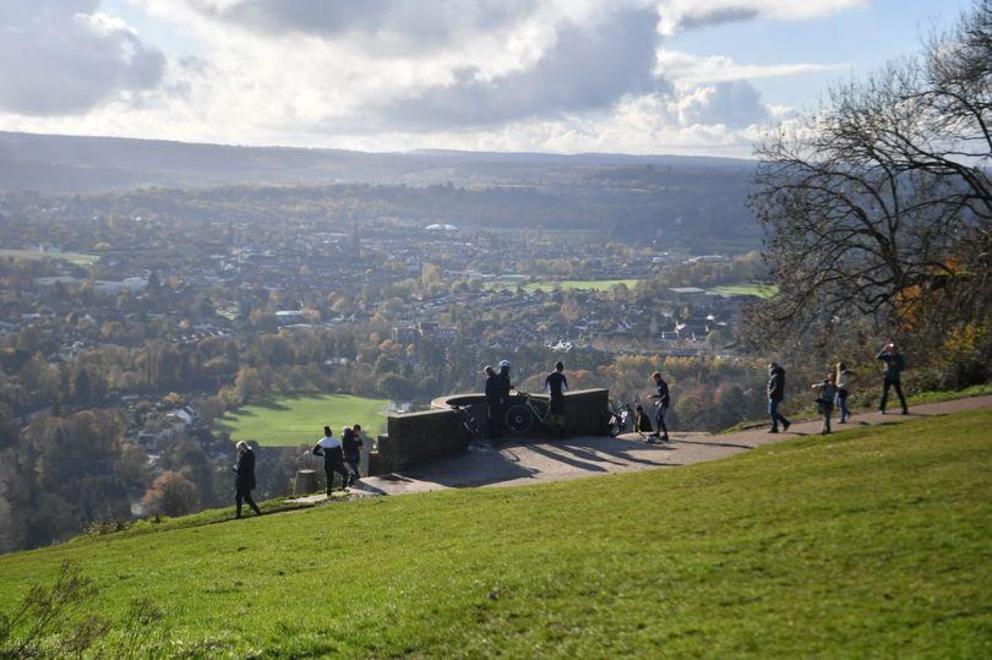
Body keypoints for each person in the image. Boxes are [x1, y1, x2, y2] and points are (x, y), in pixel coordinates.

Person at [312, 426, 349, 495]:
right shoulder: (336, 441)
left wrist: (323, 455)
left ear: (325, 433)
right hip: (337, 462)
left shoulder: (322, 441)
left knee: (329, 478)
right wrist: (342, 462)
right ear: (331, 433)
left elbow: (314, 452)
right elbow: (340, 454)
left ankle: (329, 493)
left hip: (327, 462)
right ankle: (344, 487)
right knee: (345, 474)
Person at [876, 342, 908, 414]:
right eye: (890, 349)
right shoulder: (887, 356)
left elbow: (903, 367)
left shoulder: (899, 357)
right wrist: (883, 349)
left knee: (899, 393)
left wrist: (896, 366)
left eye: (892, 349)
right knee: (885, 394)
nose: (891, 350)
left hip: (896, 377)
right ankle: (882, 409)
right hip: (887, 377)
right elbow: (877, 357)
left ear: (896, 350)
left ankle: (905, 409)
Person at [233, 441, 262, 518]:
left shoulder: (245, 456)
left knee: (239, 497)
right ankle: (258, 512)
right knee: (247, 498)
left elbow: (241, 469)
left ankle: (238, 515)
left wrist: (235, 468)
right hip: (248, 480)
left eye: (238, 449)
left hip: (244, 481)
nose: (238, 451)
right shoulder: (249, 455)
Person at [544, 361, 569, 437]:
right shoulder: (562, 377)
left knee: (552, 413)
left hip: (552, 397)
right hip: (560, 398)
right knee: (560, 415)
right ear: (562, 368)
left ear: (555, 367)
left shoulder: (549, 376)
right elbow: (564, 389)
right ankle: (561, 432)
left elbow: (546, 388)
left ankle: (551, 431)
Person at [767, 362, 791, 433]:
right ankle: (784, 423)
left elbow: (777, 386)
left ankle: (776, 427)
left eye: (769, 368)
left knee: (772, 411)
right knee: (772, 411)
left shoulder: (777, 375)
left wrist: (771, 393)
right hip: (775, 395)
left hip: (775, 396)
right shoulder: (777, 375)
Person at [649, 372, 671, 443]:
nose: (654, 380)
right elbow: (660, 395)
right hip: (661, 402)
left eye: (655, 378)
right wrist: (653, 396)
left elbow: (665, 395)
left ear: (658, 377)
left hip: (664, 403)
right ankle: (658, 433)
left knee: (660, 418)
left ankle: (666, 436)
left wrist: (658, 402)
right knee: (656, 417)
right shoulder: (658, 384)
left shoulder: (663, 384)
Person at [483, 365, 502, 438]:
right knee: (498, 417)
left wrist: (488, 399)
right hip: (498, 400)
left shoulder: (489, 379)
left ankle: (492, 434)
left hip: (492, 401)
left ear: (487, 372)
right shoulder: (497, 377)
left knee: (492, 417)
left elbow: (488, 391)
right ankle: (499, 433)